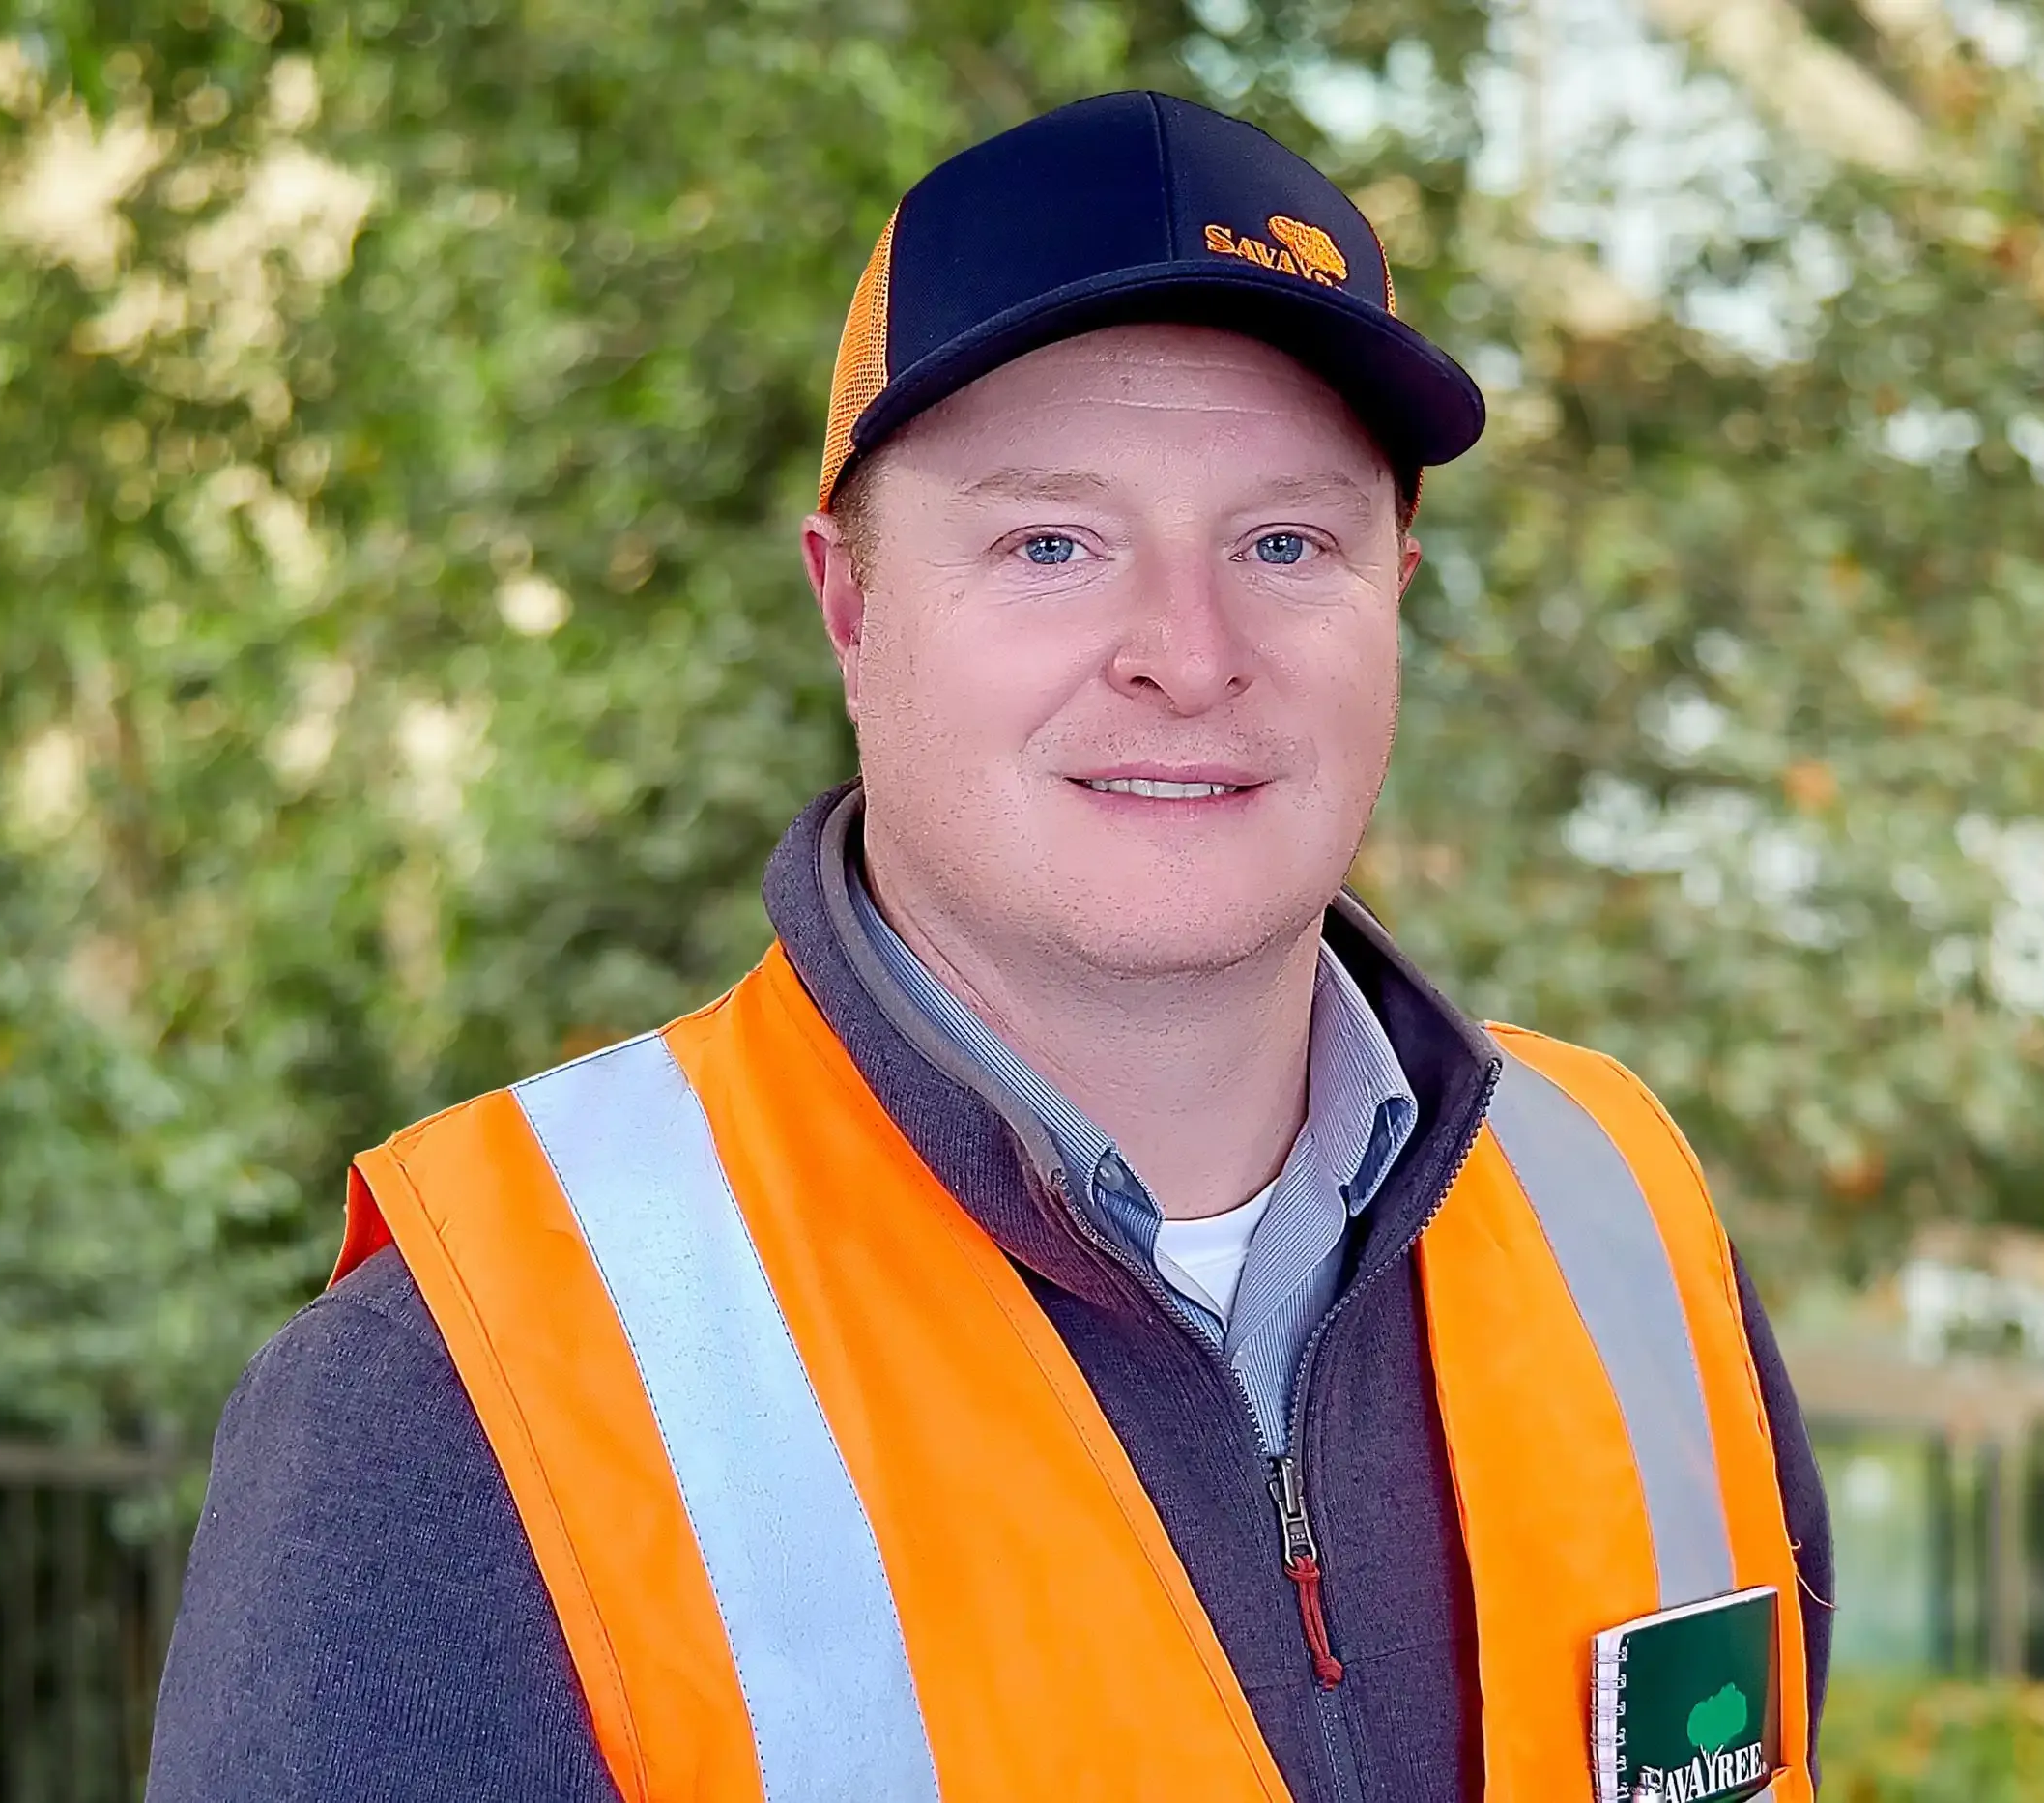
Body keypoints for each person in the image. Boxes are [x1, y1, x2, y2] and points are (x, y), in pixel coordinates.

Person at [147, 90, 1832, 1803]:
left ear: (1393, 587)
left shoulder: (1622, 1216)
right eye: (1052, 543)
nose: (1188, 651)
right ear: (850, 601)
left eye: (1282, 541)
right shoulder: (466, 1381)